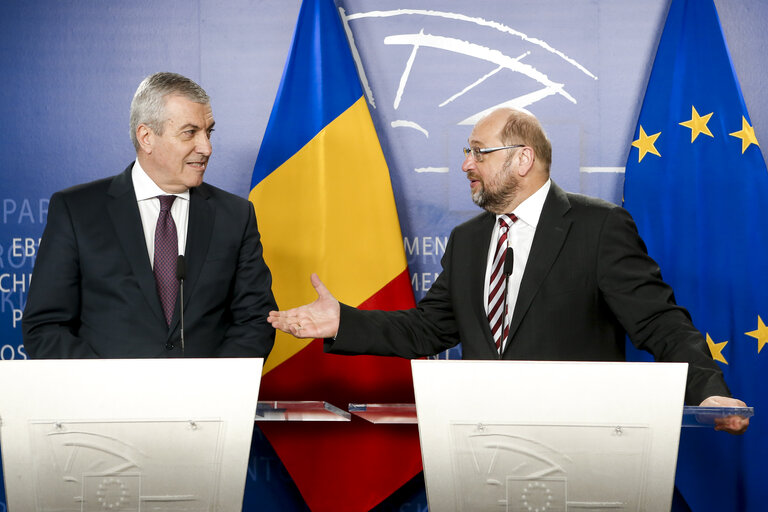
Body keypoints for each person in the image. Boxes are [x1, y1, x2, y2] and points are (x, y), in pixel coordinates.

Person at [268, 107, 749, 434]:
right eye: (467, 151)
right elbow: (429, 328)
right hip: (481, 440)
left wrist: (709, 391)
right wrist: (343, 322)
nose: (465, 164)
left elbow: (659, 323)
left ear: (523, 159)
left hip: (581, 442)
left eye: (479, 151)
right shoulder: (468, 240)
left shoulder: (598, 227)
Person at [23, 72, 277, 359]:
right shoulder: (76, 210)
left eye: (209, 132)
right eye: (189, 132)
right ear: (146, 137)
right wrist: (105, 388)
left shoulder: (235, 215)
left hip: (204, 401)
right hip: (106, 401)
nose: (206, 147)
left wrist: (212, 387)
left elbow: (255, 320)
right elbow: (45, 326)